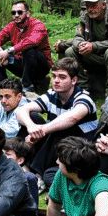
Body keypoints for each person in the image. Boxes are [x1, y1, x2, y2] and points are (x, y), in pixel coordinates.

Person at [14, 57, 99, 186]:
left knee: (62, 126)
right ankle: (26, 166)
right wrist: (31, 127)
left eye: (62, 77)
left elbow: (72, 118)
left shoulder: (83, 97)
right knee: (31, 117)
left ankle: (33, 171)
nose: (56, 81)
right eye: (54, 76)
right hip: (55, 148)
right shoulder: (52, 95)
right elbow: (21, 110)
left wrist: (41, 130)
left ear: (74, 80)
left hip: (80, 151)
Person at [56, 0, 108, 97]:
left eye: (94, 5)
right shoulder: (85, 17)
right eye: (88, 6)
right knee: (70, 51)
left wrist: (94, 46)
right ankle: (82, 90)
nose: (90, 9)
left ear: (104, 5)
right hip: (95, 56)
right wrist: (81, 46)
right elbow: (78, 36)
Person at [0, 0, 53, 93]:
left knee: (30, 50)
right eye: (13, 12)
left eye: (19, 12)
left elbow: (32, 41)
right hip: (22, 64)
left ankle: (27, 86)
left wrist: (9, 51)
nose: (16, 15)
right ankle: (2, 84)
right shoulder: (12, 26)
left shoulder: (38, 25)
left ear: (27, 13)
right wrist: (0, 52)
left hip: (40, 68)